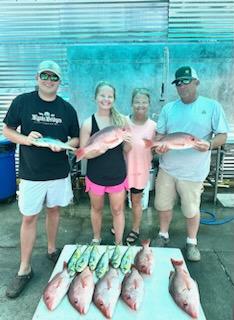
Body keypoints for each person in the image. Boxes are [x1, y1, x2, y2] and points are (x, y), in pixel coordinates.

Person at [3, 60, 80, 298]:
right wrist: (26, 139)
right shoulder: (23, 102)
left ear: (59, 82)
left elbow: (76, 139)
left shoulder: (67, 109)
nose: (49, 80)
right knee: (29, 218)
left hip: (58, 173)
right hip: (31, 174)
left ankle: (51, 249)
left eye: (54, 77)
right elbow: (7, 130)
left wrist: (65, 146)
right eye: (45, 76)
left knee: (54, 211)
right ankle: (24, 269)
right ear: (37, 78)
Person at [154, 66, 229, 261]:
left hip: (194, 173)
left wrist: (210, 144)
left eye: (186, 81)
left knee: (191, 209)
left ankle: (191, 242)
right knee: (162, 205)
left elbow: (222, 135)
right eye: (178, 82)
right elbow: (160, 136)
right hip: (167, 169)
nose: (182, 86)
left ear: (197, 82)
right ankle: (163, 235)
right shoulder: (168, 108)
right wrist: (158, 146)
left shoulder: (212, 106)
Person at [80, 81, 130, 245]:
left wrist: (128, 141)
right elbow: (84, 152)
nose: (106, 99)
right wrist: (99, 150)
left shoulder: (122, 120)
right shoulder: (88, 123)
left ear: (114, 99)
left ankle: (119, 243)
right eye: (102, 95)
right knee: (96, 209)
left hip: (117, 173)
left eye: (110, 96)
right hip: (95, 175)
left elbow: (127, 149)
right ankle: (96, 238)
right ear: (95, 97)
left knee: (117, 210)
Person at [124, 88, 156, 244]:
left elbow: (156, 149)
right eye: (137, 101)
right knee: (117, 201)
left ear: (149, 104)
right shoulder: (123, 121)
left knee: (136, 201)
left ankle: (135, 228)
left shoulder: (153, 127)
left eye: (144, 102)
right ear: (131, 103)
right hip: (120, 170)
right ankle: (118, 225)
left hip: (139, 171)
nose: (140, 105)